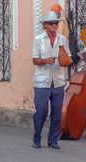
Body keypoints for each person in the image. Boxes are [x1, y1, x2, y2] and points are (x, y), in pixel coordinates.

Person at [32, 11, 72, 149]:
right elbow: (34, 60)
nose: (54, 25)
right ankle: (36, 138)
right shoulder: (38, 39)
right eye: (51, 23)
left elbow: (69, 58)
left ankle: (53, 140)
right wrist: (45, 60)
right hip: (42, 81)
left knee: (56, 112)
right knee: (41, 110)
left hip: (58, 80)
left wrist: (66, 60)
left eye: (56, 23)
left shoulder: (63, 40)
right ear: (45, 25)